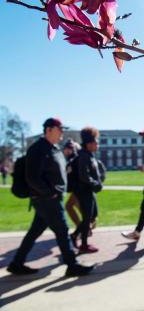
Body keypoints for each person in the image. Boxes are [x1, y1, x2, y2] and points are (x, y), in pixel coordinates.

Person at [7, 117, 94, 277]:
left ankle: (16, 264)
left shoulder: (53, 148)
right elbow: (32, 177)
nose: (62, 132)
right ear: (49, 130)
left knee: (35, 232)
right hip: (47, 199)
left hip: (49, 198)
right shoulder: (38, 149)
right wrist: (50, 192)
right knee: (62, 230)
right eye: (60, 129)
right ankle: (72, 265)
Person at [70, 127, 103, 253]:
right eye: (96, 142)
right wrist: (96, 184)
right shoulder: (83, 156)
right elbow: (84, 176)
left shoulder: (89, 155)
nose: (97, 145)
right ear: (88, 144)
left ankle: (74, 236)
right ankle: (83, 244)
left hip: (89, 190)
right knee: (87, 217)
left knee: (92, 216)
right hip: (83, 191)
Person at [63, 139, 82, 228]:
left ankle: (82, 227)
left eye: (67, 149)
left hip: (78, 188)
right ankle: (89, 223)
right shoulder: (72, 159)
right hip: (77, 188)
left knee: (68, 206)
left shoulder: (74, 160)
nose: (65, 151)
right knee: (78, 206)